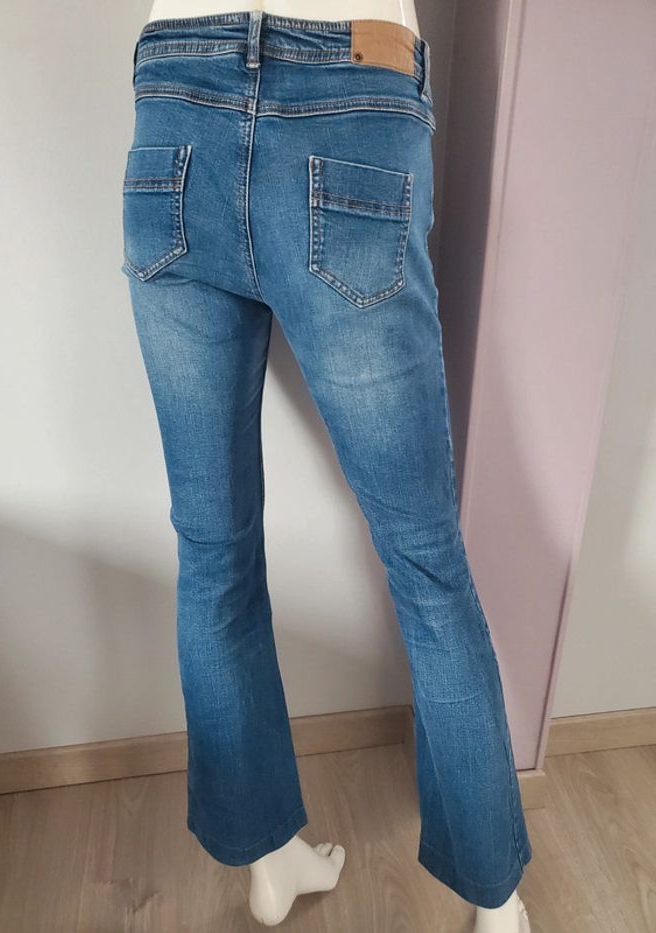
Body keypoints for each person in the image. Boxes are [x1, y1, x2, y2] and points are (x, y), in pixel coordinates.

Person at [121, 4, 533, 929]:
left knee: (213, 550)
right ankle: (497, 904)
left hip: (176, 96)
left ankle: (269, 860)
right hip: (348, 89)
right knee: (427, 565)